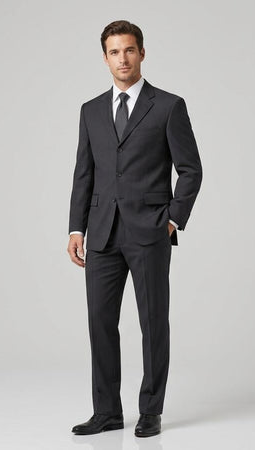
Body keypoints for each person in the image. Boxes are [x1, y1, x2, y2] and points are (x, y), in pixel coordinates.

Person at [67, 19, 203, 438]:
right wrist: (75, 229)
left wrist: (172, 220)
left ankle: (151, 411)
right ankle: (107, 412)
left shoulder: (168, 106)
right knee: (99, 322)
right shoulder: (90, 110)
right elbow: (84, 173)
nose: (122, 59)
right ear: (105, 58)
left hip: (149, 232)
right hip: (102, 232)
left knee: (153, 323)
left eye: (129, 50)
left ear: (142, 53)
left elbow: (191, 169)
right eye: (114, 52)